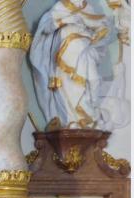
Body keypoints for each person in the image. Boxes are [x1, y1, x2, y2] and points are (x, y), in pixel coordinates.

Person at [29, 0, 114, 129]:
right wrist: (67, 20)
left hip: (85, 49)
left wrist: (99, 31)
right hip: (67, 50)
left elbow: (102, 26)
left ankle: (88, 117)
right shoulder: (61, 6)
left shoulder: (88, 7)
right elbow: (46, 27)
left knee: (93, 80)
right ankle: (71, 120)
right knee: (69, 84)